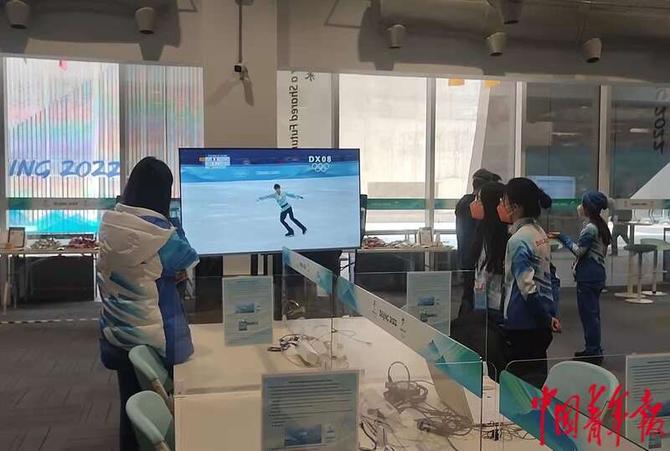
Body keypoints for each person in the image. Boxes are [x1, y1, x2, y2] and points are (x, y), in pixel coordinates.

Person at [97, 157, 198, 451]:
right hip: (156, 335)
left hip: (118, 330)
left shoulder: (111, 222)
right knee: (165, 409)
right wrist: (173, 224)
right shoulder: (161, 234)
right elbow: (187, 259)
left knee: (133, 408)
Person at [500, 177, 561, 388]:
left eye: (505, 201)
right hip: (540, 318)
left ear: (516, 206)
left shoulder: (518, 240)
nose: (502, 205)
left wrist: (544, 318)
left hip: (522, 321)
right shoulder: (539, 233)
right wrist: (549, 316)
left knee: (520, 383)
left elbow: (527, 288)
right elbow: (550, 277)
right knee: (536, 377)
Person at [554, 192, 611, 363]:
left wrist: (563, 238)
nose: (580, 207)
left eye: (583, 204)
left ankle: (593, 352)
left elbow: (579, 251)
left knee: (589, 316)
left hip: (588, 277)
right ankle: (593, 348)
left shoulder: (590, 229)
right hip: (597, 274)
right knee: (593, 315)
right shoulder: (601, 226)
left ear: (588, 208)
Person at [455, 169, 501, 316]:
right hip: (474, 259)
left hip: (467, 257)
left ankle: (466, 321)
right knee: (473, 296)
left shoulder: (463, 202)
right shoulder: (473, 206)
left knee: (469, 294)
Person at [471, 181, 509, 315]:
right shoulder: (482, 229)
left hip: (496, 300)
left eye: (480, 200)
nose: (476, 203)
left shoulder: (506, 234)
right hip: (482, 294)